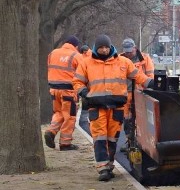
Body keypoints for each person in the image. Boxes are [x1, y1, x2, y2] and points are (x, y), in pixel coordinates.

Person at [73, 34, 153, 181]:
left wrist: (151, 83)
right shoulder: (86, 63)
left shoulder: (123, 62)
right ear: (96, 48)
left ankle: (109, 165)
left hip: (116, 106)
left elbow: (138, 76)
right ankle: (103, 168)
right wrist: (83, 91)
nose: (104, 50)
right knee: (99, 137)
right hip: (96, 106)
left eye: (106, 47)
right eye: (101, 47)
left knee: (112, 138)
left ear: (110, 47)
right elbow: (77, 81)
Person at [45, 36, 82, 151]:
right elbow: (82, 72)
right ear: (75, 45)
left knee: (58, 112)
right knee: (69, 117)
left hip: (53, 89)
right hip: (68, 91)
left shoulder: (53, 53)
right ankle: (65, 143)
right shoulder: (76, 56)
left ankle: (51, 131)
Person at [120, 38, 155, 144]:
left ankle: (142, 140)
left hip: (140, 93)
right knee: (127, 119)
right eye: (126, 52)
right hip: (125, 93)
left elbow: (150, 75)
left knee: (141, 117)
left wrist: (148, 89)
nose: (129, 54)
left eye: (130, 51)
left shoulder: (145, 58)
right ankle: (129, 141)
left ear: (135, 48)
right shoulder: (119, 59)